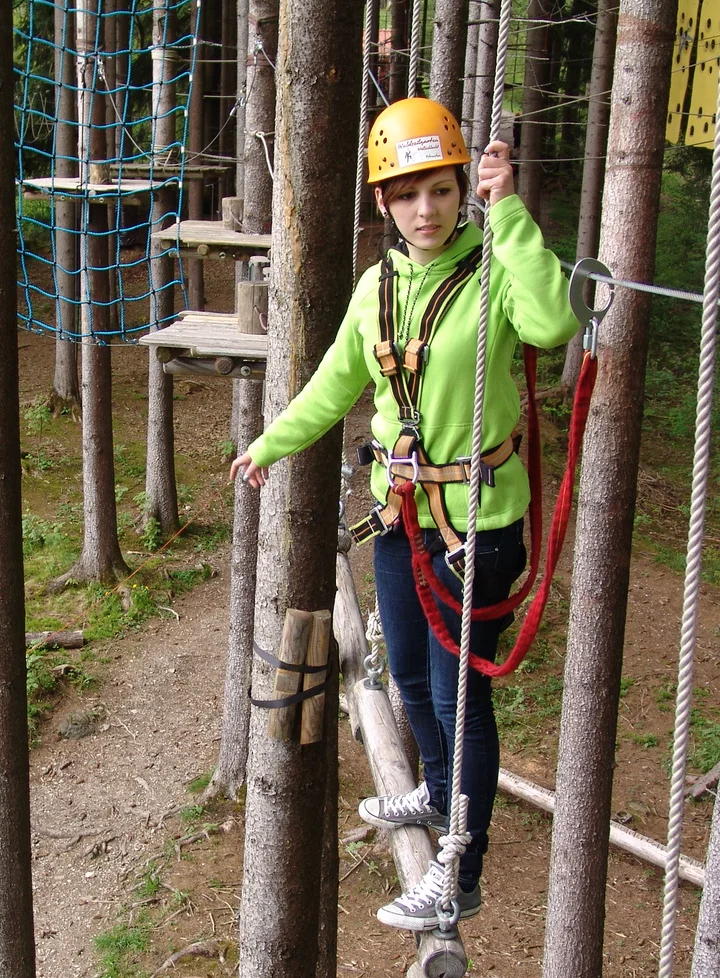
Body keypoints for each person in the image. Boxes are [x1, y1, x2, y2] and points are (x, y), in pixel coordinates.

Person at [230, 98, 579, 931]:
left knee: (462, 700)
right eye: (407, 194)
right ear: (384, 204)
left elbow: (554, 323)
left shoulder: (496, 270)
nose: (426, 210)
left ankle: (461, 866)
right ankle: (433, 787)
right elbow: (335, 383)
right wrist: (272, 444)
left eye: (440, 191)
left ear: (462, 189)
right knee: (412, 676)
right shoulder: (378, 286)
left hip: (476, 528)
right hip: (402, 516)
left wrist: (511, 213)